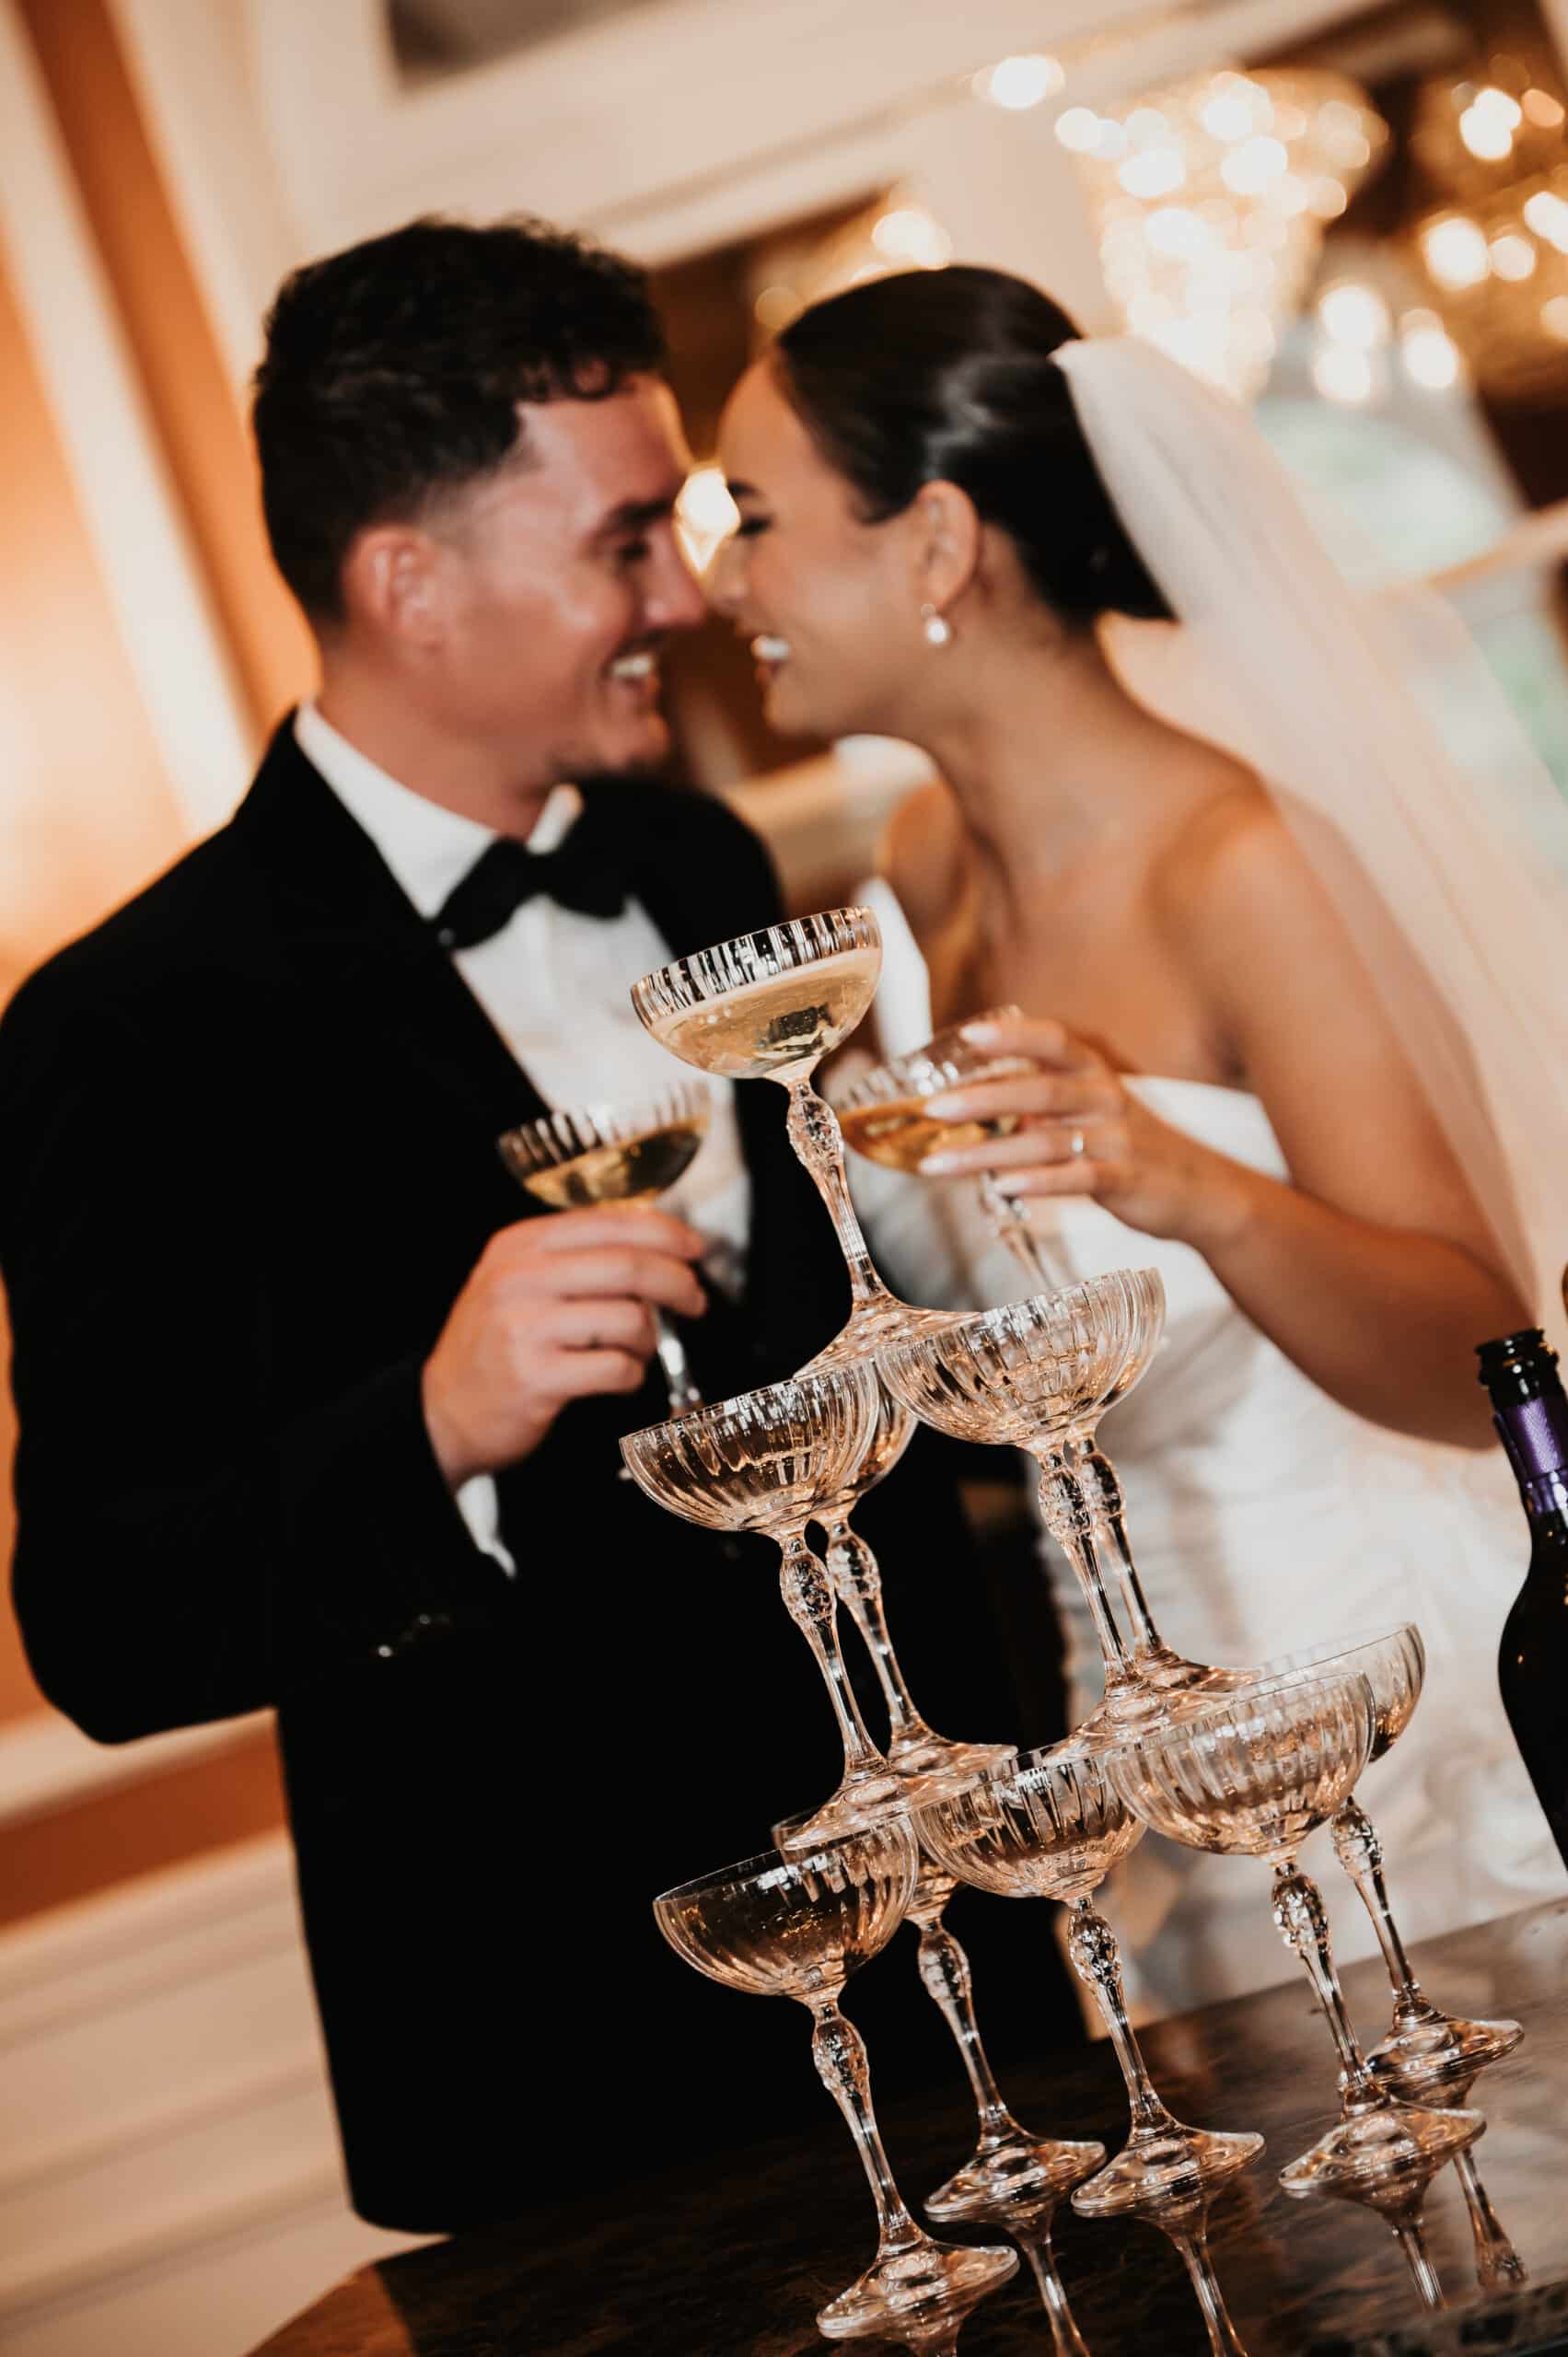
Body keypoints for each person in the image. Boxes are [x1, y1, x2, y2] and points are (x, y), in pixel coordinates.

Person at [0, 221, 1063, 2233]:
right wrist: (431, 1427)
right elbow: (108, 1629)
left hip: (967, 1979)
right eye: (625, 542)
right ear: (408, 582)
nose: (687, 593)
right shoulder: (129, 1027)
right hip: (572, 2065)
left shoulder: (700, 856)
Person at [709, 262, 1568, 2015]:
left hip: (1396, 1712)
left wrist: (1190, 1188)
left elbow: (1477, 1358)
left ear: (935, 543)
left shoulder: (1242, 869)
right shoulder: (925, 871)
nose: (727, 583)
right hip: (1131, 1750)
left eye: (756, 519)